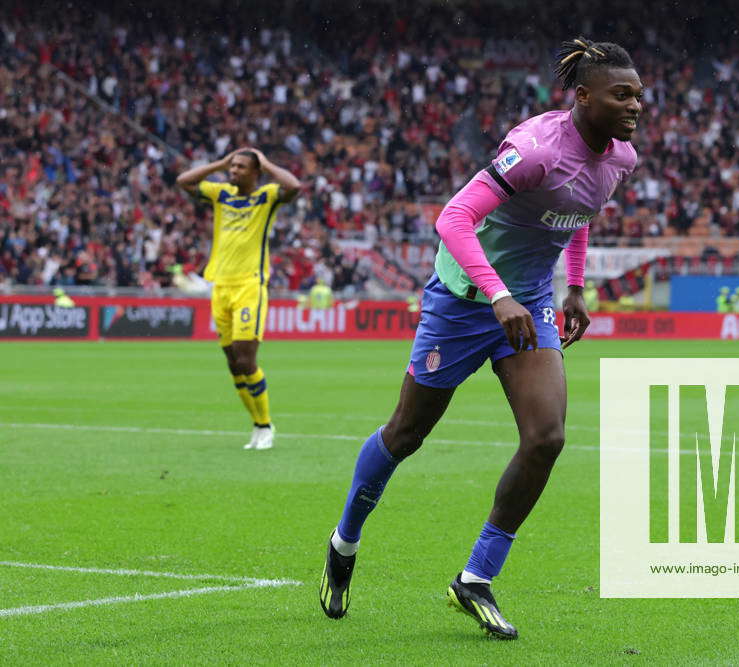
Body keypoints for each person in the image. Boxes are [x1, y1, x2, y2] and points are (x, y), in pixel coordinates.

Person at [319, 36, 641, 639]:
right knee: (405, 434)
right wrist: (498, 295)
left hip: (529, 308)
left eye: (639, 96)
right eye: (622, 94)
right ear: (583, 96)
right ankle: (344, 541)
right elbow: (453, 218)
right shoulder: (535, 149)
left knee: (546, 437)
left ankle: (476, 578)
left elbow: (576, 215)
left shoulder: (620, 159)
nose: (635, 106)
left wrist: (573, 287)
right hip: (465, 303)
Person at [176, 148, 301, 450]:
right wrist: (219, 162)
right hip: (220, 286)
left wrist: (266, 160)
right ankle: (258, 425)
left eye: (241, 167)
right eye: (232, 166)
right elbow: (184, 181)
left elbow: (294, 187)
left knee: (246, 358)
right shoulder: (221, 194)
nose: (233, 171)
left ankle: (266, 424)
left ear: (255, 172)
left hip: (249, 286)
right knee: (233, 363)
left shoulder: (267, 196)